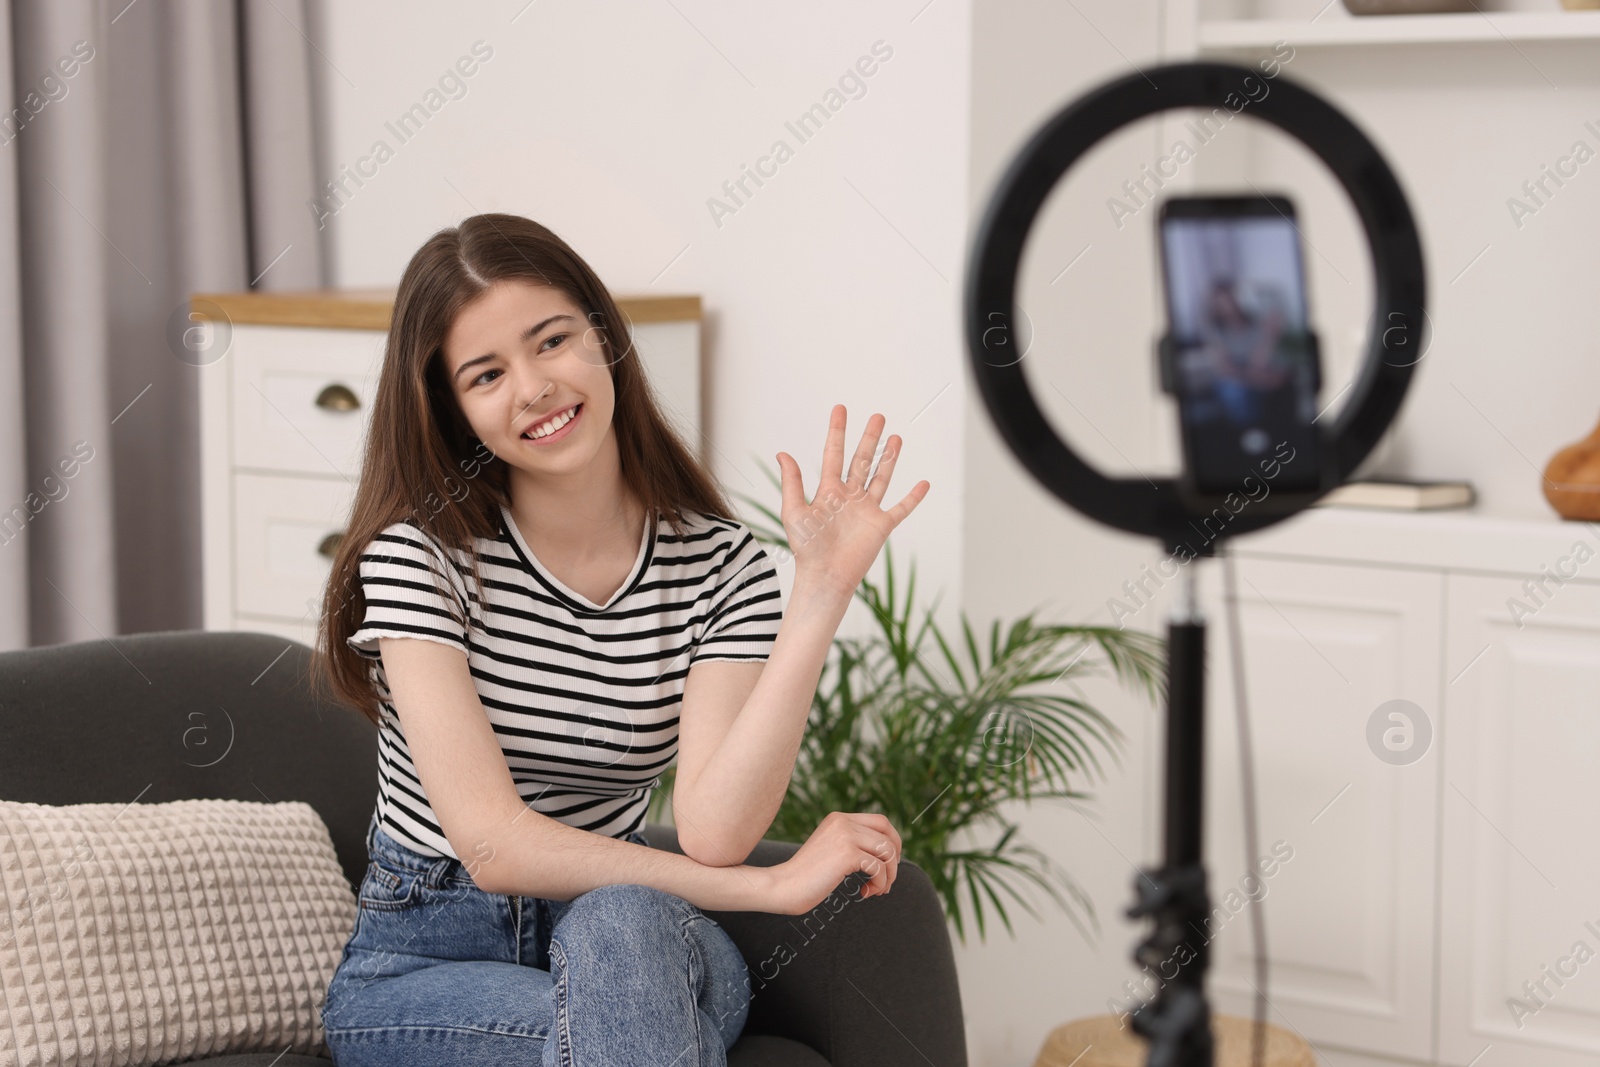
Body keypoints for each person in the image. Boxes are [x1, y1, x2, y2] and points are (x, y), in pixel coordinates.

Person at [310, 212, 930, 1067]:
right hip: (429, 955)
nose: (532, 386)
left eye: (552, 340)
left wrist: (819, 593)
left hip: (635, 938)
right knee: (627, 1027)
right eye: (486, 373)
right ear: (453, 410)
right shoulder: (422, 557)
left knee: (621, 918)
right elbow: (491, 845)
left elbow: (713, 828)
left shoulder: (720, 565)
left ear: (603, 338)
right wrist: (767, 890)